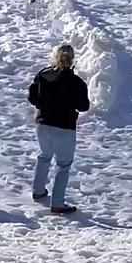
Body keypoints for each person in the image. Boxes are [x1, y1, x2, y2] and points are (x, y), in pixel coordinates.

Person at [29, 44, 90, 215]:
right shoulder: (77, 82)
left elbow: (32, 97)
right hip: (65, 127)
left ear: (55, 57)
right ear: (72, 60)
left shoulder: (43, 75)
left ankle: (38, 191)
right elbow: (84, 106)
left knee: (44, 157)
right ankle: (57, 203)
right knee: (63, 165)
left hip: (43, 124)